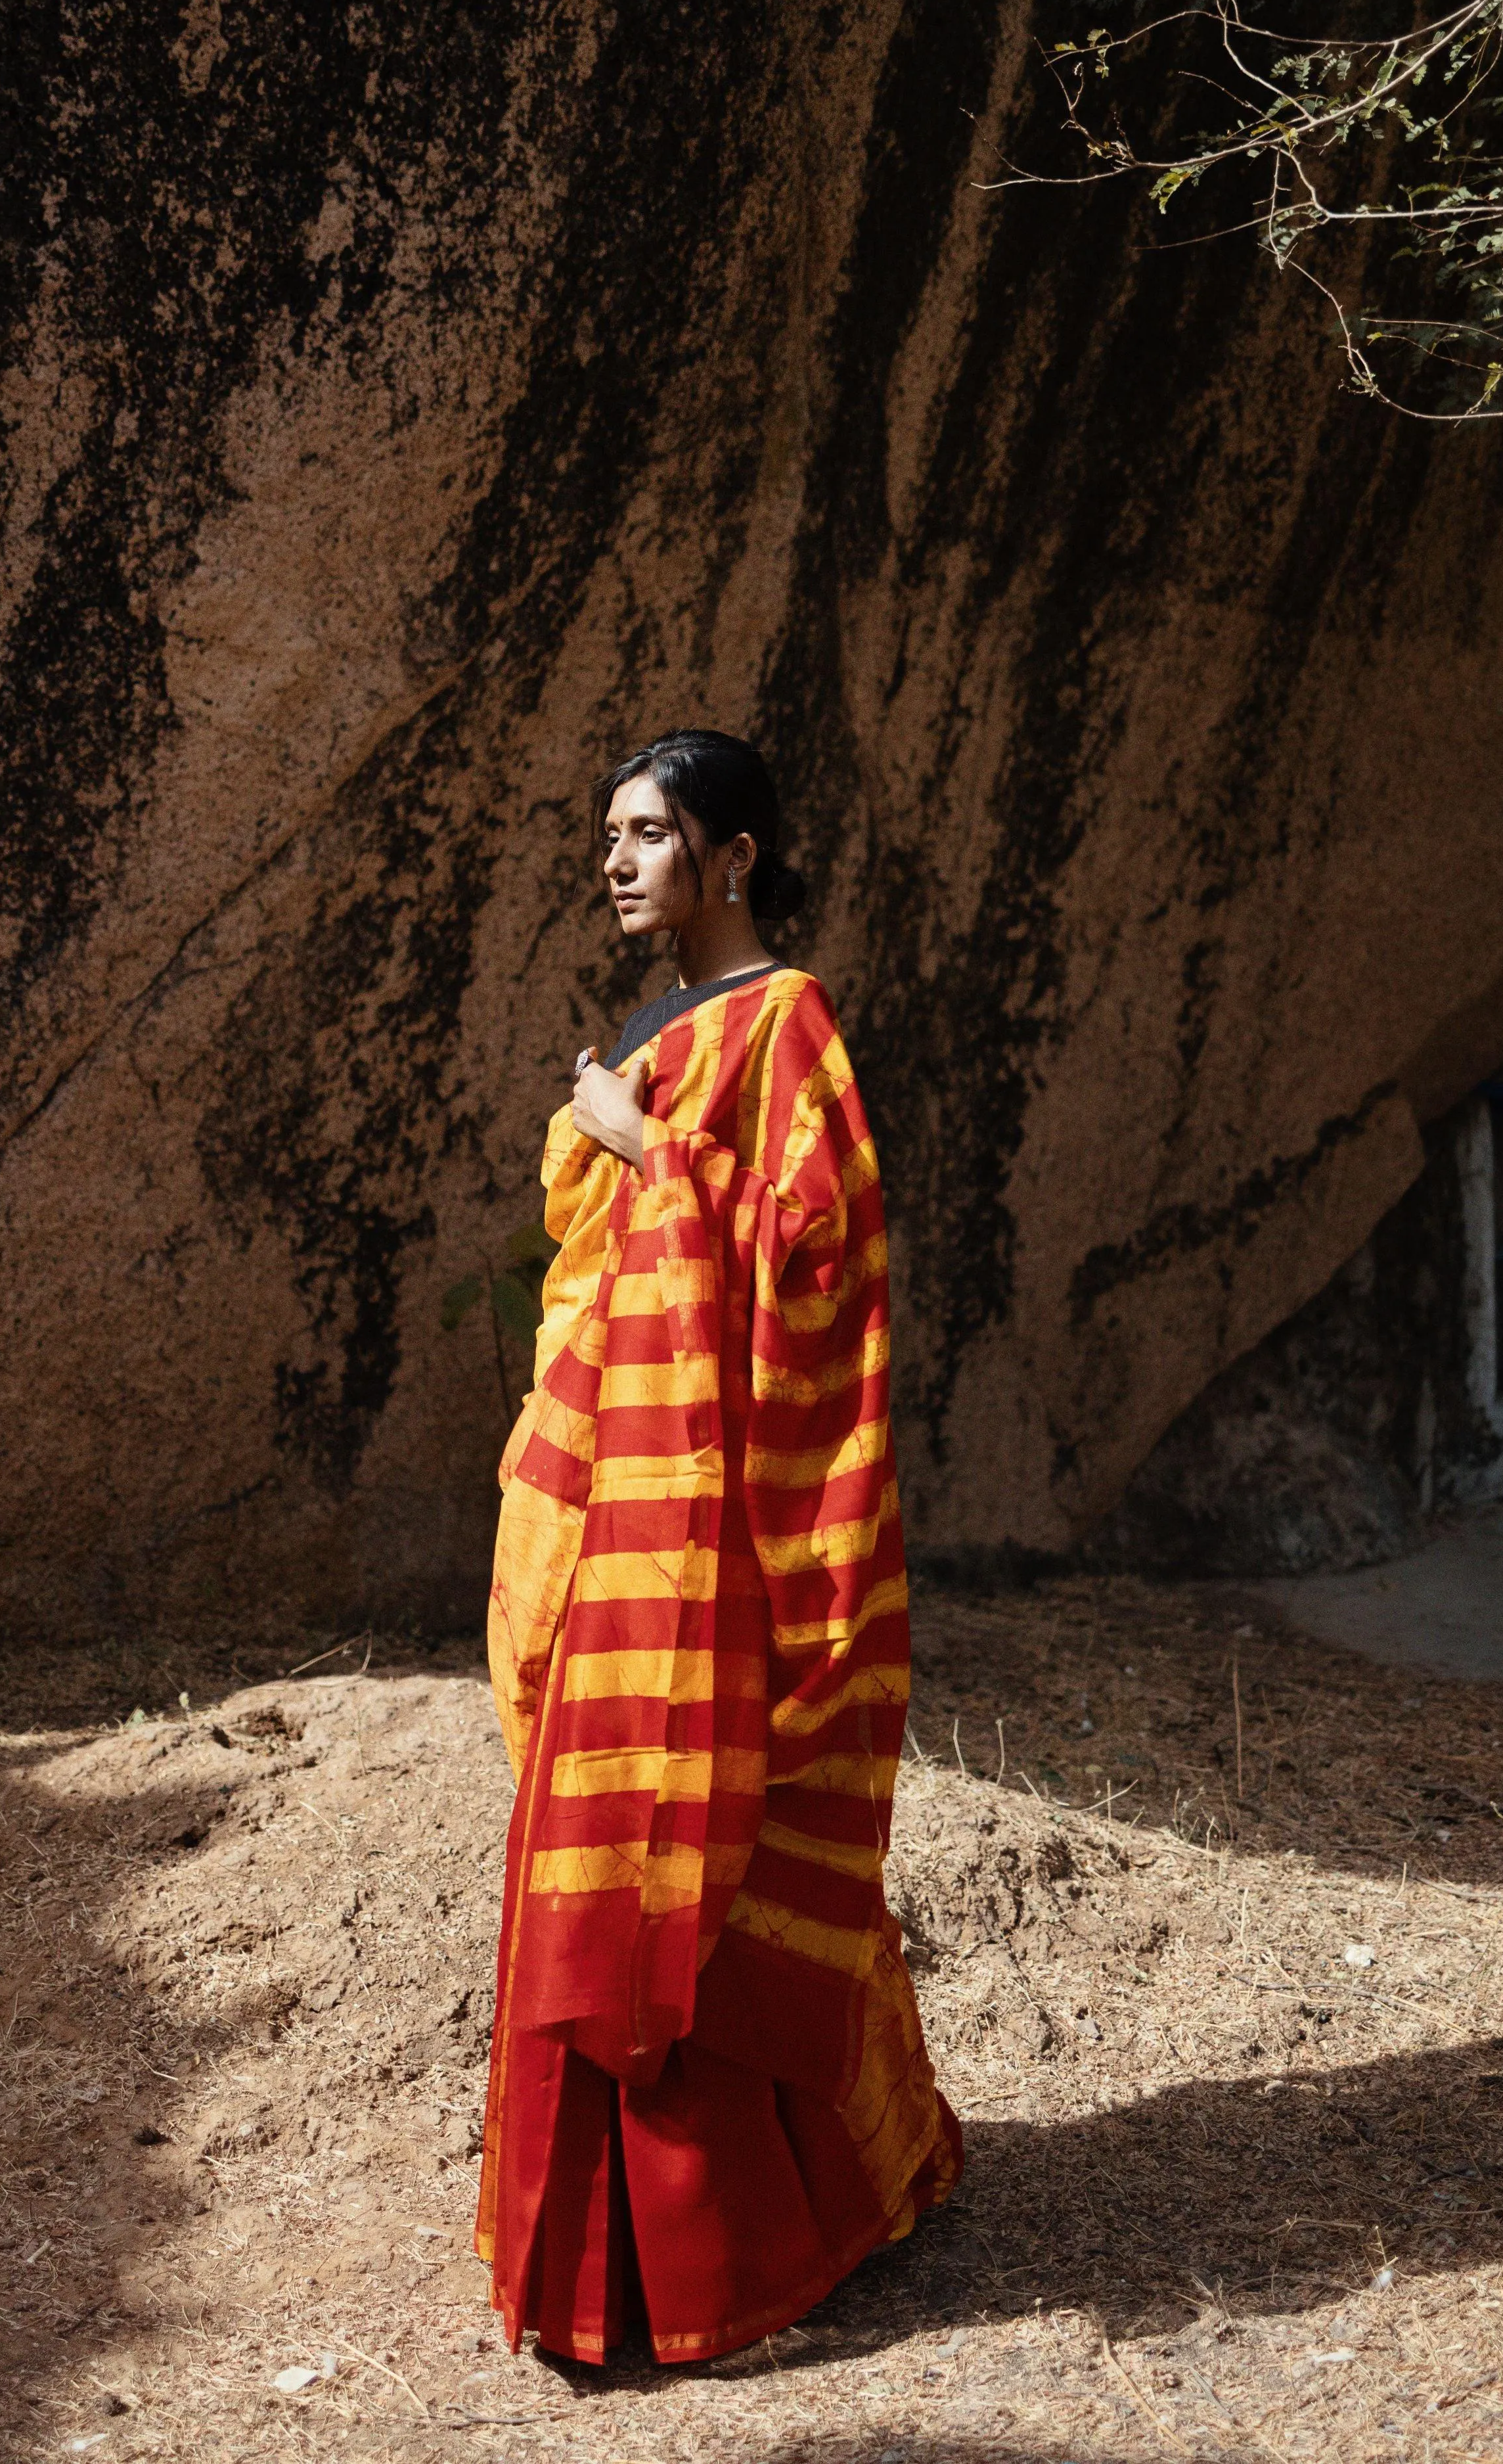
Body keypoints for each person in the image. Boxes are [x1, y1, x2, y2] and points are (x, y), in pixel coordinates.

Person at [473, 727, 960, 2367]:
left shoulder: (784, 1019)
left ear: (731, 854)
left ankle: (715, 2260)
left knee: (699, 1850)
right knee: (600, 1829)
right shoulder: (658, 1023)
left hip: (711, 1537)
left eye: (647, 834)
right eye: (606, 835)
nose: (615, 862)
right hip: (617, 1510)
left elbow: (820, 1260)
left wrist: (639, 1147)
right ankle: (598, 2259)